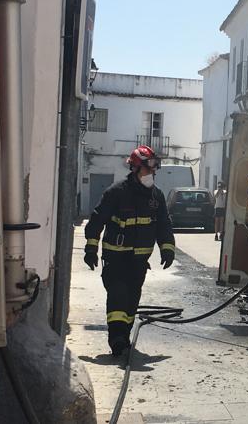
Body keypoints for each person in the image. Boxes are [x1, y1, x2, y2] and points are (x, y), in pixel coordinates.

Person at [82, 145, 176, 360]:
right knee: (118, 297)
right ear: (135, 168)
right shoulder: (116, 192)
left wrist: (167, 248)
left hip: (139, 262)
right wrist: (90, 248)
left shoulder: (156, 196)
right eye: (148, 169)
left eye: (154, 169)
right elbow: (97, 221)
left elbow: (164, 224)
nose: (152, 173)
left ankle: (124, 335)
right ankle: (116, 339)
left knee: (132, 301)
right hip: (115, 259)